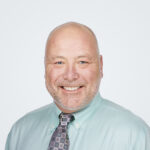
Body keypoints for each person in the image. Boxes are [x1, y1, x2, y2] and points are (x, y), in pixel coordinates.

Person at [5, 22, 150, 150]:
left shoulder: (134, 136)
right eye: (59, 62)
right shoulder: (20, 132)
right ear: (45, 67)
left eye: (82, 62)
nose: (70, 75)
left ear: (101, 66)